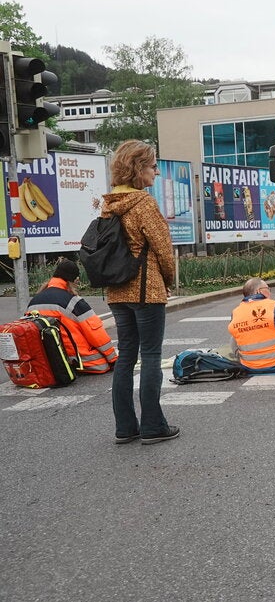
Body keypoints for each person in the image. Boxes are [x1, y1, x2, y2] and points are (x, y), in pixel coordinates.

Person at [101, 140, 178, 445]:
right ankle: (152, 426)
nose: (156, 173)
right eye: (152, 166)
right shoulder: (143, 204)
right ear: (138, 168)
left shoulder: (109, 203)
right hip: (146, 289)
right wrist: (168, 280)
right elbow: (162, 248)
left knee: (125, 357)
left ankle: (125, 427)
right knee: (150, 356)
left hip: (117, 291)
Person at [28, 259, 118, 373]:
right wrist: (113, 359)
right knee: (101, 363)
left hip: (46, 362)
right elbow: (95, 333)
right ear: (73, 280)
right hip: (77, 361)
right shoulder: (73, 301)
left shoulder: (34, 302)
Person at [228, 278, 275, 374]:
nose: (269, 292)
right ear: (258, 291)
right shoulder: (274, 306)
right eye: (267, 288)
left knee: (234, 336)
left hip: (248, 367)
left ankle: (249, 361)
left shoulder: (236, 312)